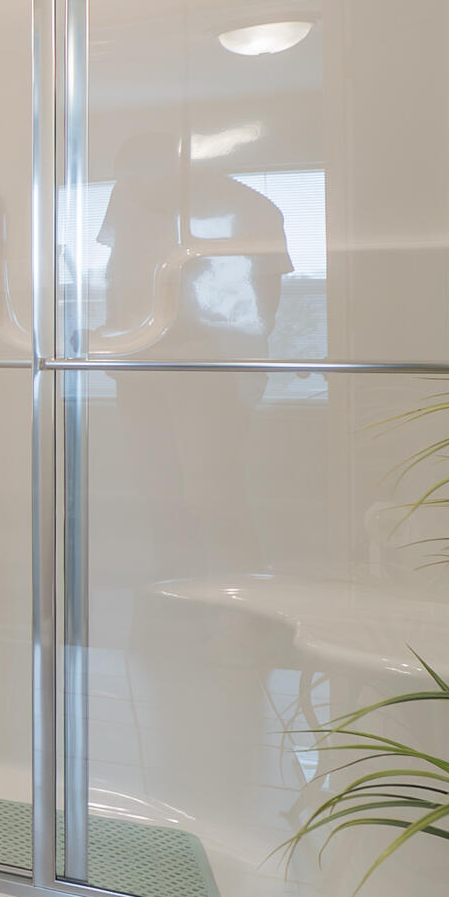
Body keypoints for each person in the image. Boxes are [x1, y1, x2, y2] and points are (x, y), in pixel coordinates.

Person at [95, 130, 294, 577]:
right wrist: (113, 340)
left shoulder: (250, 209)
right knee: (155, 488)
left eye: (145, 180)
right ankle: (172, 591)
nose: (136, 190)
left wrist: (193, 342)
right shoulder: (125, 196)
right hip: (136, 363)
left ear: (181, 171)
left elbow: (262, 307)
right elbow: (118, 270)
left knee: (212, 490)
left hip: (208, 369)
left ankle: (239, 599)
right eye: (128, 181)